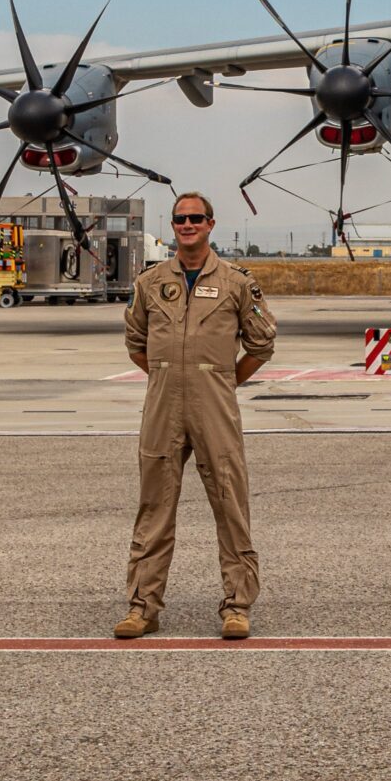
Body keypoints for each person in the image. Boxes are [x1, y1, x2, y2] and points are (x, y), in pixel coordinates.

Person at [113, 192, 276, 640]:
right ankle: (143, 607)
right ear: (173, 226)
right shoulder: (150, 282)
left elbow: (262, 343)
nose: (187, 225)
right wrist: (167, 377)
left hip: (214, 408)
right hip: (163, 408)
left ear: (210, 224)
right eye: (180, 219)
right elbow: (135, 342)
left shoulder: (236, 283)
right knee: (154, 508)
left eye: (196, 218)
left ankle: (237, 606)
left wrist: (223, 381)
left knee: (230, 504)